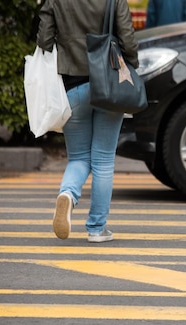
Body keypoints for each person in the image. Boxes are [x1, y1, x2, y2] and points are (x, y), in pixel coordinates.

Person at [37, 0, 139, 243]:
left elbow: (44, 41)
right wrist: (131, 66)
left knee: (79, 158)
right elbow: (127, 40)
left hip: (72, 87)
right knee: (103, 160)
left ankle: (67, 195)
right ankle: (96, 229)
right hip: (108, 84)